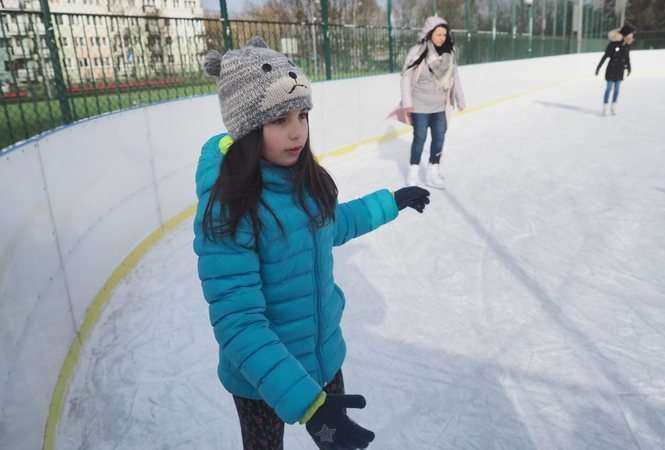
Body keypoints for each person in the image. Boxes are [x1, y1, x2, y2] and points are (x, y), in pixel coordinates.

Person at [193, 36, 431, 450]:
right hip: (261, 377)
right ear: (249, 127)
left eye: (302, 115)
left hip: (322, 356)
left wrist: (389, 203)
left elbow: (331, 225)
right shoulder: (228, 209)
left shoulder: (303, 182)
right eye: (280, 119)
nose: (297, 131)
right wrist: (309, 404)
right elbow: (239, 325)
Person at [400, 16, 465, 189]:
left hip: (440, 107)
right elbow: (406, 78)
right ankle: (413, 172)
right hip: (419, 106)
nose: (442, 38)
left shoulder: (449, 54)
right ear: (429, 34)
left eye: (444, 34)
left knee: (439, 139)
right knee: (419, 138)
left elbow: (455, 78)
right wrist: (407, 104)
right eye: (438, 34)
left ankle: (433, 172)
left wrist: (460, 98)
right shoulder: (417, 52)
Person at [595, 24, 635, 116]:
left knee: (617, 89)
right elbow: (605, 57)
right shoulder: (613, 45)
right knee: (609, 89)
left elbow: (627, 58)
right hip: (611, 70)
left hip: (620, 71)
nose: (631, 38)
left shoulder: (627, 46)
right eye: (630, 36)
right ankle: (605, 107)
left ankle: (613, 107)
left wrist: (629, 67)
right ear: (625, 36)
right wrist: (598, 67)